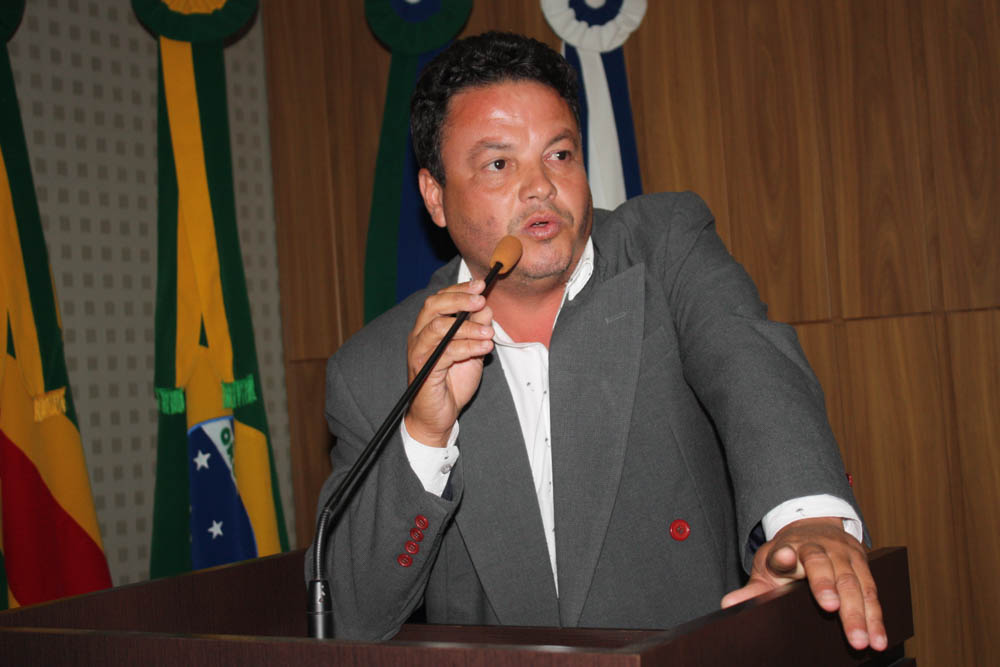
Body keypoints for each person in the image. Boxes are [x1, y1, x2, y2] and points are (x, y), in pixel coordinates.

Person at [311, 31, 886, 650]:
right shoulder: (374, 368)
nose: (540, 186)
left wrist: (808, 520)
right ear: (435, 196)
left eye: (559, 154)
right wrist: (425, 435)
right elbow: (351, 620)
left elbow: (751, 366)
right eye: (499, 164)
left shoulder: (663, 250)